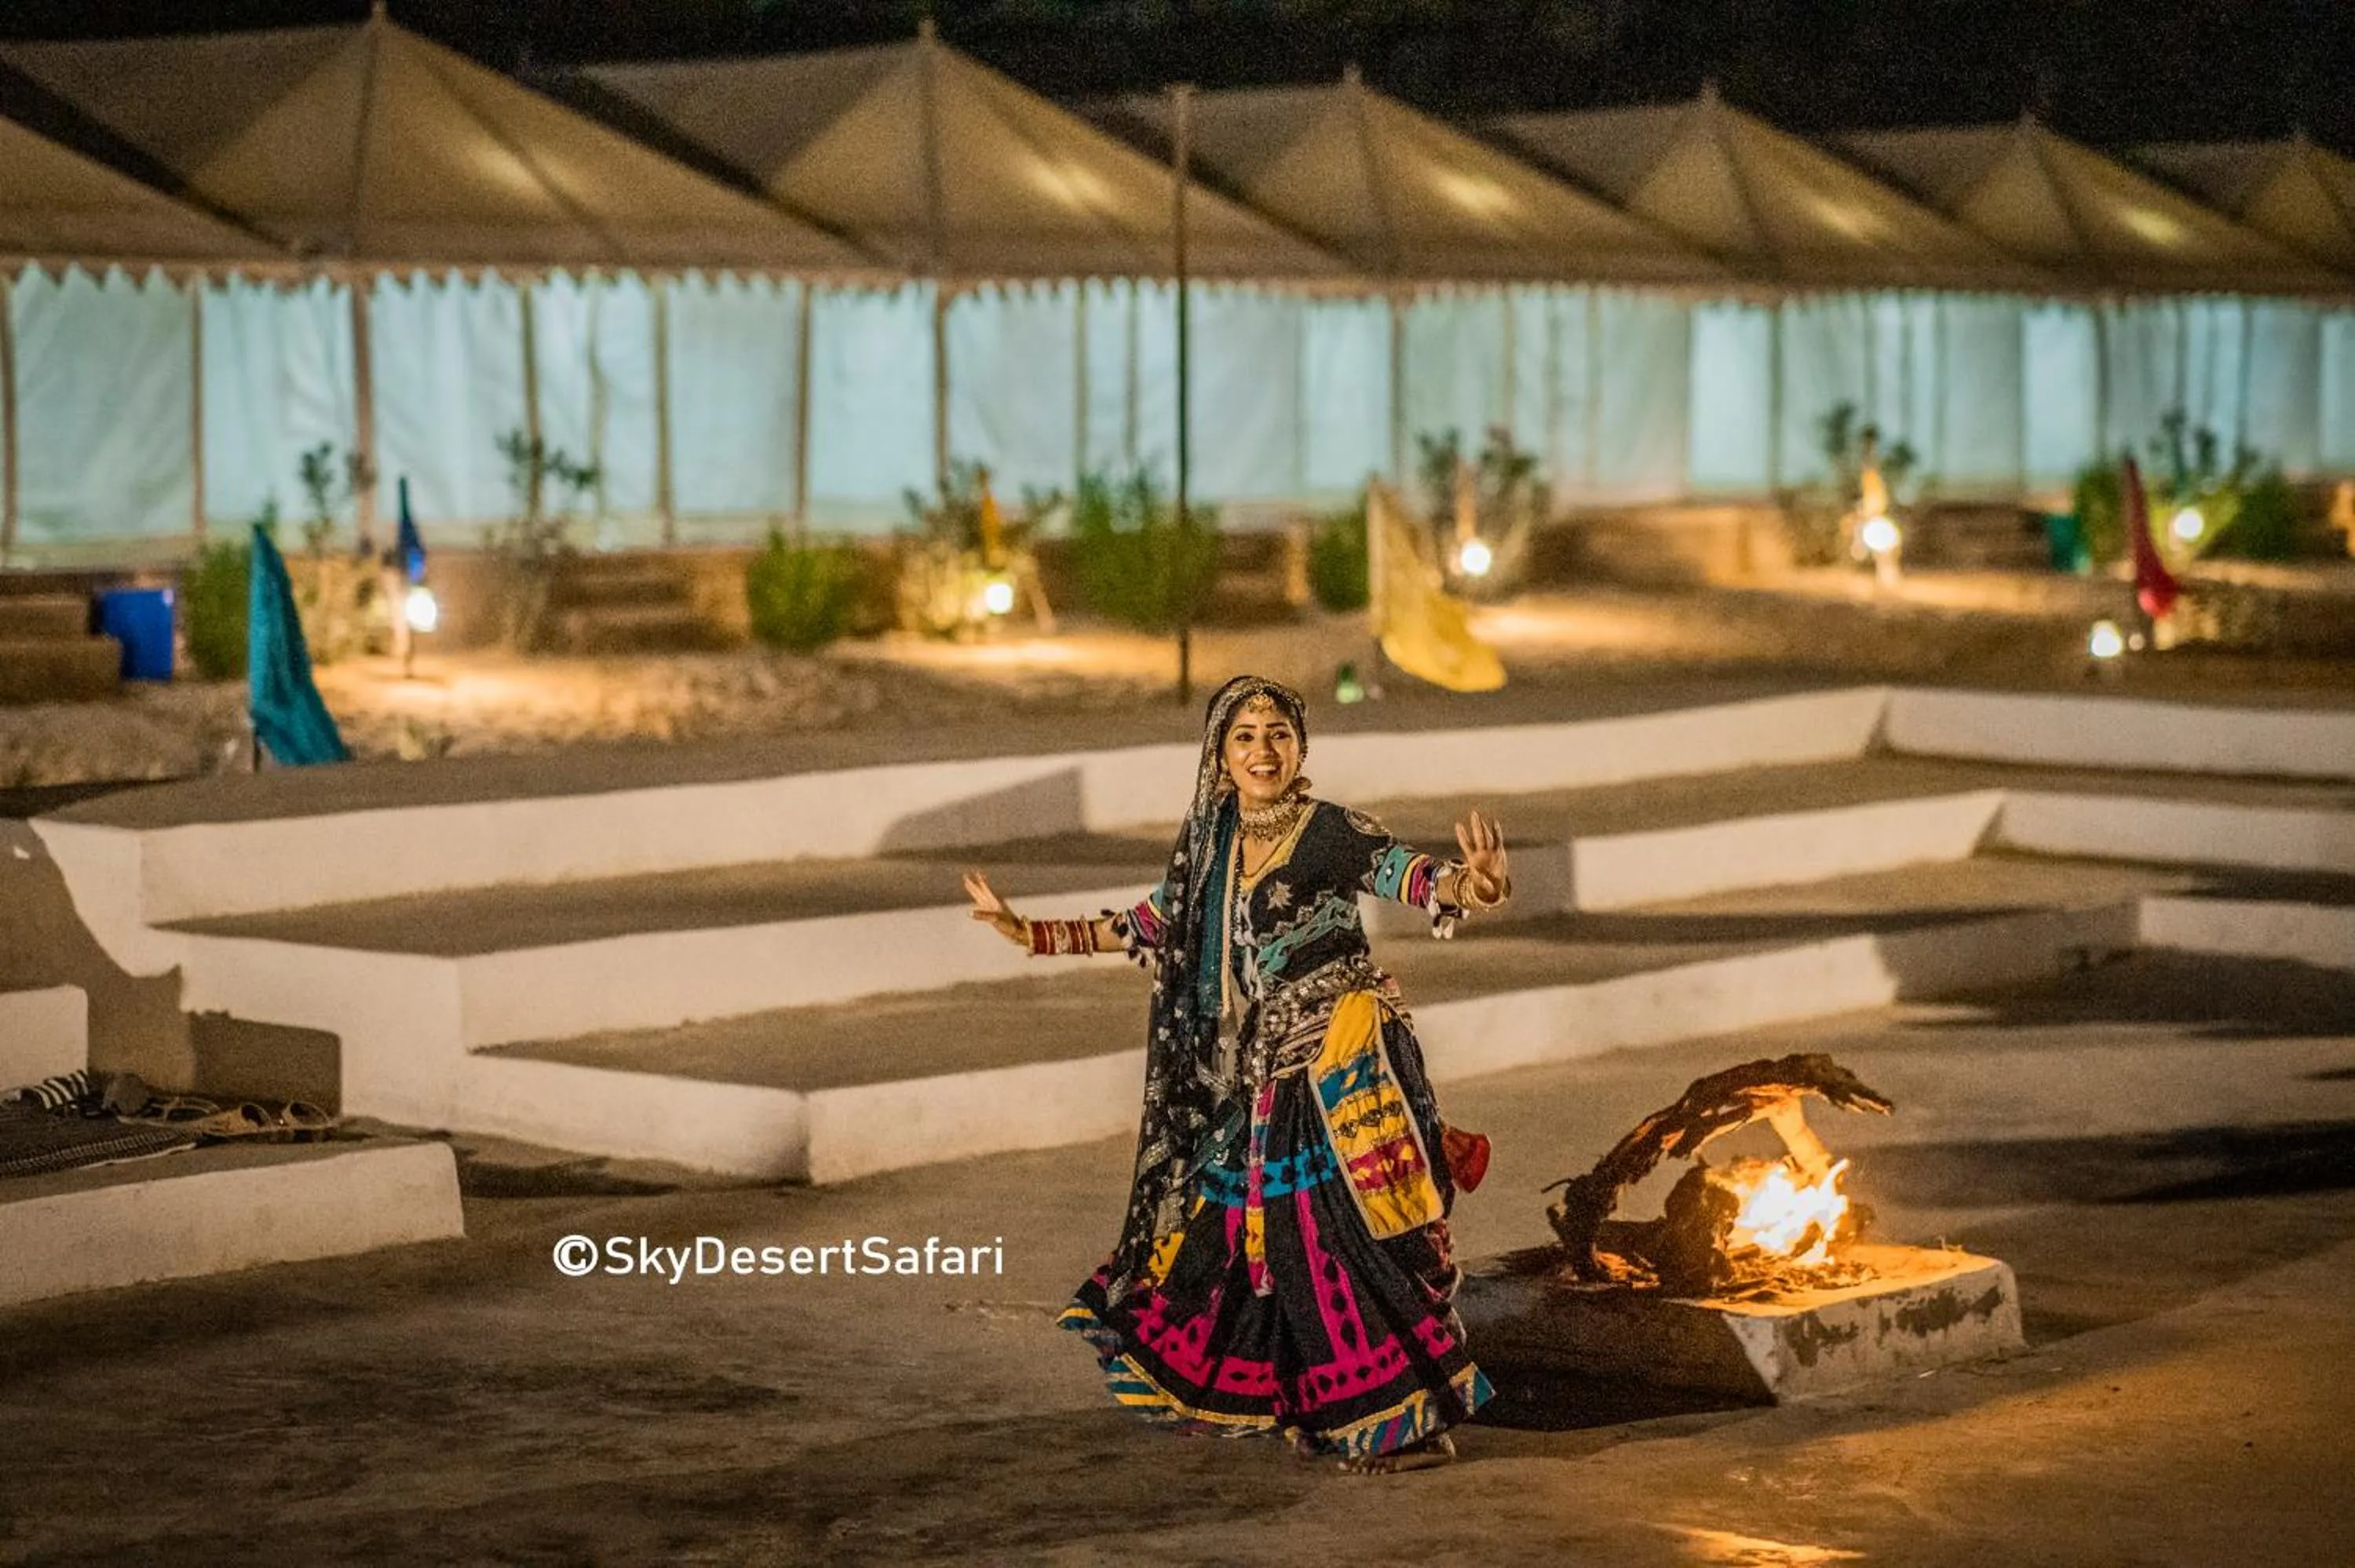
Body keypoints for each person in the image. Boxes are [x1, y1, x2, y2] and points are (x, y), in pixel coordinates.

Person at [963, 674, 1510, 1474]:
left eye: (1279, 732)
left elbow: (1407, 875)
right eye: (1246, 735)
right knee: (1278, 1246)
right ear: (1220, 755)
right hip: (1269, 1068)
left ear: (1301, 746)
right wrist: (1032, 934)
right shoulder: (1211, 844)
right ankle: (1323, 1407)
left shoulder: (1330, 831)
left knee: (1350, 1236)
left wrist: (1475, 884)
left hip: (1346, 1058)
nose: (1264, 749)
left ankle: (1405, 1422)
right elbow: (1153, 923)